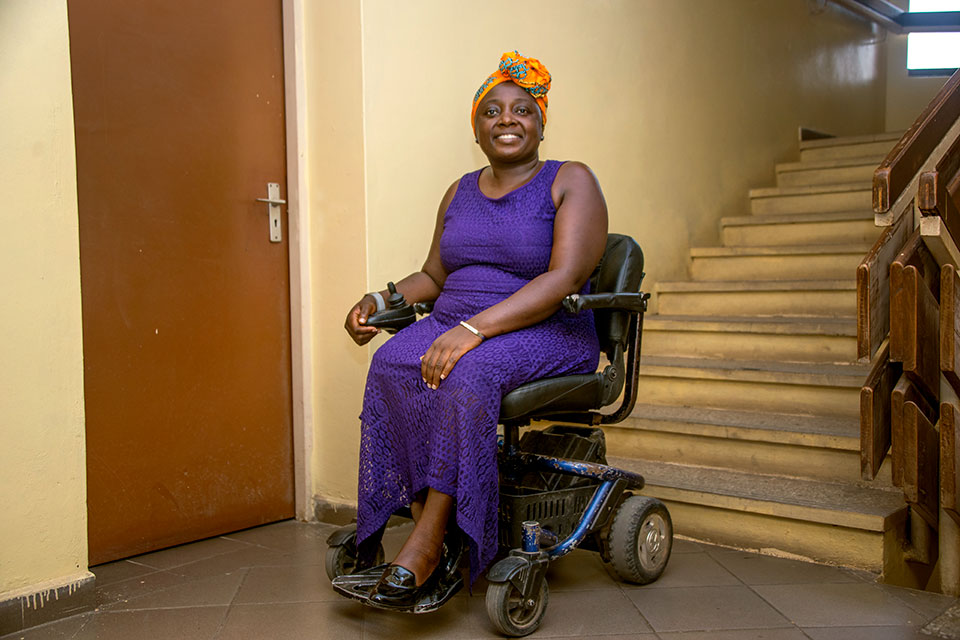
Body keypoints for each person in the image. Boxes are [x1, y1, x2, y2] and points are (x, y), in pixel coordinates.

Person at [342, 50, 608, 609]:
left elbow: (565, 277)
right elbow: (435, 275)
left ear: (540, 123)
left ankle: (428, 544)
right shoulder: (459, 190)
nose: (506, 119)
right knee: (391, 363)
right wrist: (381, 298)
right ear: (476, 128)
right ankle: (426, 522)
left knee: (465, 374)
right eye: (491, 111)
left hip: (545, 328)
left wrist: (474, 330)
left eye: (521, 109)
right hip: (457, 319)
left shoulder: (569, 180)